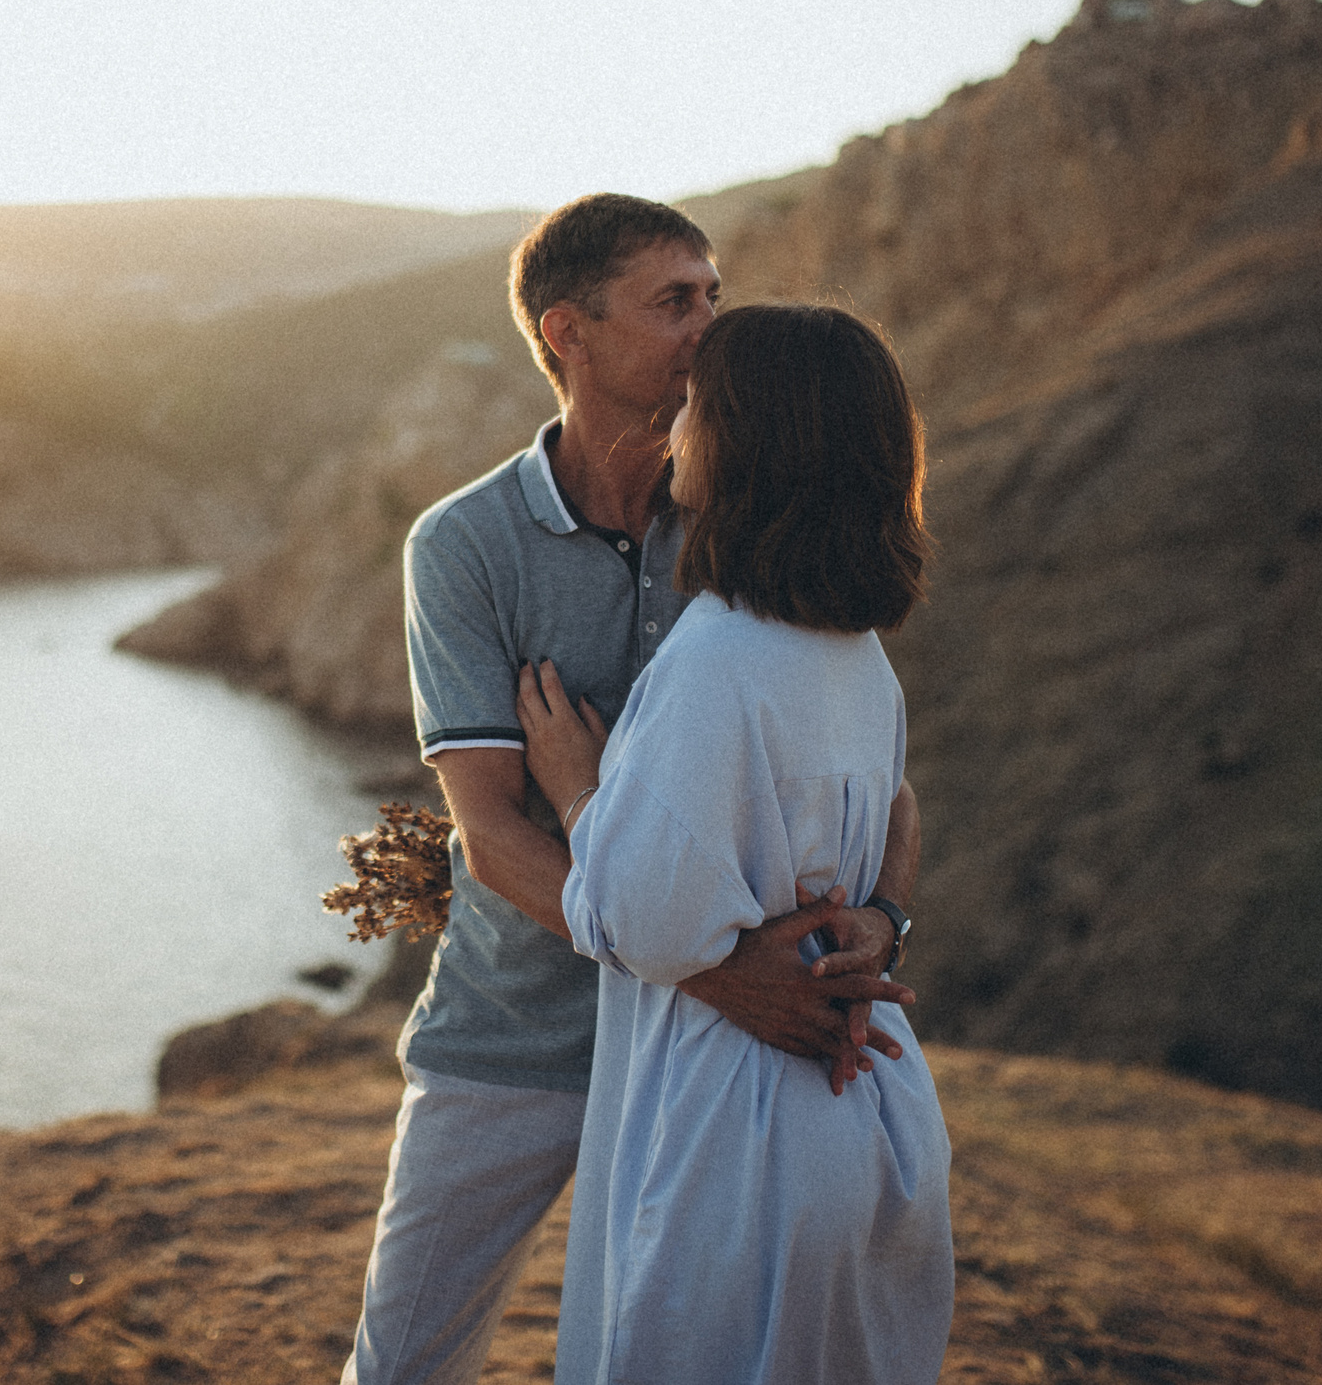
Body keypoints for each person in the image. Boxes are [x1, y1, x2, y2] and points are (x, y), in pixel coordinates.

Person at [343, 197, 922, 1385]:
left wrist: (881, 917)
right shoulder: (463, 546)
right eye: (674, 301)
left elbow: (873, 773)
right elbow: (492, 832)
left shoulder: (744, 516)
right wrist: (722, 969)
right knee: (404, 1361)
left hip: (692, 1052)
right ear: (568, 330)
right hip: (516, 1035)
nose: (709, 325)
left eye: (713, 293)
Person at [520, 302, 953, 1385]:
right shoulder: (856, 658)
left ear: (755, 444)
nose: (673, 434)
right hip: (866, 1115)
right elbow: (897, 804)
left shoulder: (717, 658)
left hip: (739, 1131)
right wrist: (881, 919)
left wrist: (577, 790)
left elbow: (642, 916)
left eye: (698, 411)